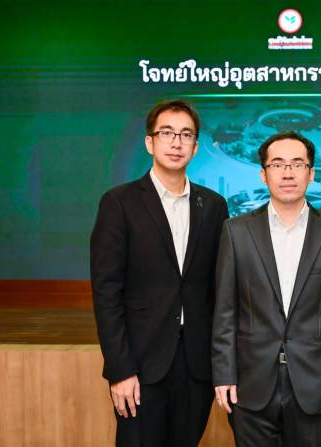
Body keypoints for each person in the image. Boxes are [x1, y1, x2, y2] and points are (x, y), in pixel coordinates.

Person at [90, 99, 228, 446]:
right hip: (140, 364)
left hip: (196, 365)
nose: (176, 142)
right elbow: (106, 292)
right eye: (167, 133)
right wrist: (120, 369)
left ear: (196, 147)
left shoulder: (213, 206)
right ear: (149, 142)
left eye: (185, 135)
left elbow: (219, 289)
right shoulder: (119, 203)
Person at [212, 131, 321, 447]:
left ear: (311, 173)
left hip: (315, 383)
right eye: (278, 164)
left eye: (297, 164)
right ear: (263, 175)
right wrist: (224, 374)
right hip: (250, 383)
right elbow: (225, 310)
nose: (288, 173)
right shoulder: (236, 232)